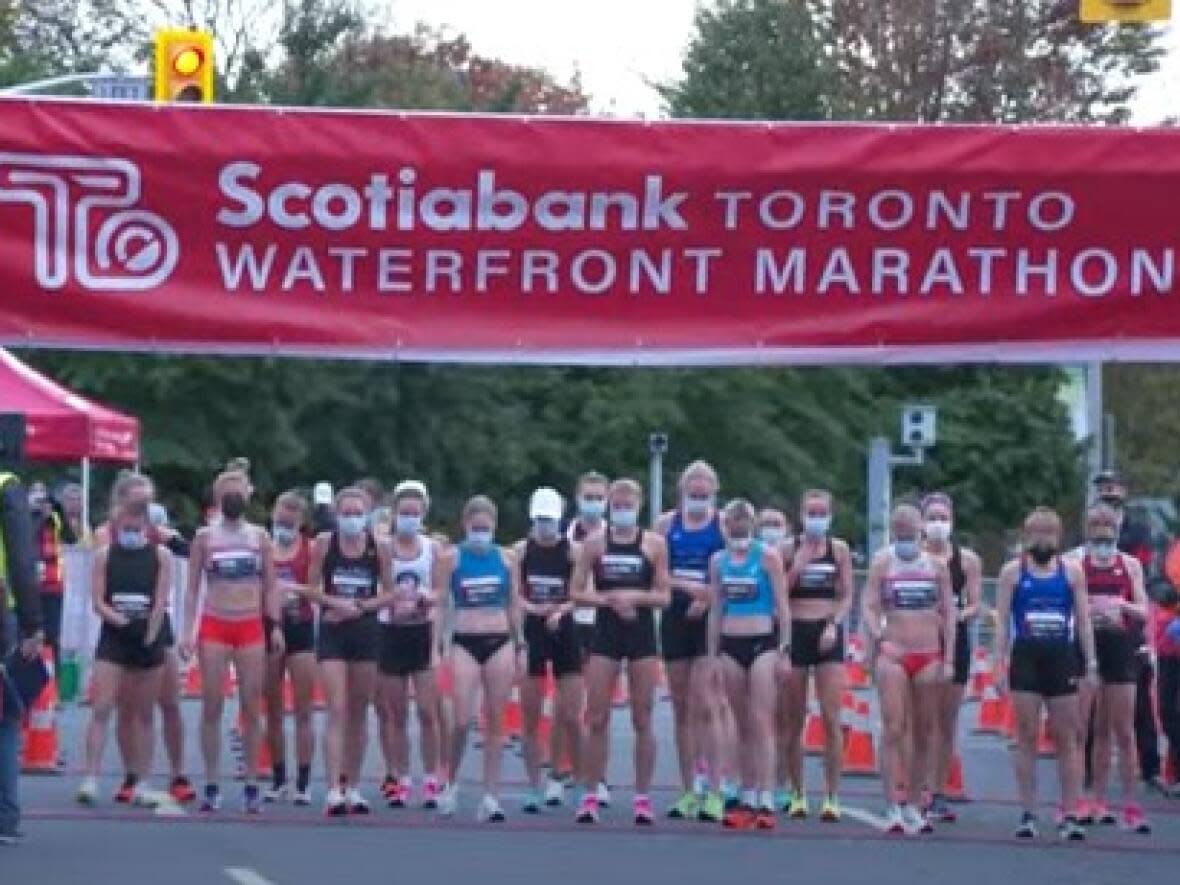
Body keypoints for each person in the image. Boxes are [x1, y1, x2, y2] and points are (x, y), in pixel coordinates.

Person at [181, 470, 281, 814]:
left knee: (252, 706)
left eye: (239, 490)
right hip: (215, 624)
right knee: (211, 704)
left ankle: (252, 782)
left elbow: (270, 585)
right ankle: (211, 782)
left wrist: (276, 625)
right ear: (218, 497)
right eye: (228, 491)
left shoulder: (260, 537)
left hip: (250, 625)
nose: (234, 496)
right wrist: (186, 632)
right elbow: (192, 587)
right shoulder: (205, 537)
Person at [572, 478, 671, 825]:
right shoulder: (595, 543)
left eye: (629, 506)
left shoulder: (654, 544)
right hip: (606, 632)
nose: (623, 511)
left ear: (640, 506)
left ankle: (642, 797)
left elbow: (664, 595)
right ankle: (590, 793)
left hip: (641, 632)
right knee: (596, 716)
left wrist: (634, 599)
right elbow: (576, 592)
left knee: (642, 717)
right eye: (618, 506)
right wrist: (608, 600)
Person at [995, 506, 1096, 841]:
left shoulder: (1072, 572)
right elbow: (1001, 625)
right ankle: (1028, 812)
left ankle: (1070, 813)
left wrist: (1090, 663)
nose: (1042, 539)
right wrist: (998, 663)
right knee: (1025, 736)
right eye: (1036, 533)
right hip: (1026, 657)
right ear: (1027, 536)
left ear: (1059, 536)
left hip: (1061, 658)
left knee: (1068, 737)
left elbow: (1083, 621)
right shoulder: (1013, 572)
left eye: (1049, 533)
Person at [95, 474, 195, 805]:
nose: (144, 508)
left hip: (155, 622)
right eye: (138, 502)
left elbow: (188, 551)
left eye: (147, 503)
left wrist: (171, 538)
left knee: (169, 702)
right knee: (127, 706)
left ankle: (178, 773)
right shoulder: (106, 534)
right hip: (121, 625)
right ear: (120, 502)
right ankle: (132, 774)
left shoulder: (154, 532)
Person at [862, 504, 955, 835]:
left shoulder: (937, 566)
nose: (905, 539)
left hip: (928, 652)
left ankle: (915, 803)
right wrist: (876, 633)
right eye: (898, 534)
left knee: (924, 731)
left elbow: (949, 613)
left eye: (910, 533)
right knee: (893, 726)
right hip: (894, 653)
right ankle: (892, 804)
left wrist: (949, 658)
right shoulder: (883, 562)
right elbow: (869, 603)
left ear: (921, 532)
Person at [76, 499, 172, 807]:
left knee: (145, 714)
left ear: (146, 527)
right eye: (124, 528)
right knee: (102, 706)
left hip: (146, 637)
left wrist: (150, 631)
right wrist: (119, 621)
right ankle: (90, 777)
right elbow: (97, 601)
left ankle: (143, 781)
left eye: (135, 528)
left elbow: (161, 600)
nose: (130, 533)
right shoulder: (105, 556)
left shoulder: (160, 555)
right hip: (115, 637)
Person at [308, 486, 394, 816]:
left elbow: (391, 592)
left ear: (368, 515)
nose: (352, 520)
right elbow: (310, 588)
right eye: (346, 513)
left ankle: (353, 786)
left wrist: (360, 606)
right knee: (336, 707)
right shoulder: (325, 544)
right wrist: (333, 603)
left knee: (359, 712)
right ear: (336, 515)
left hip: (366, 630)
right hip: (333, 629)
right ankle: (332, 788)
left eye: (358, 514)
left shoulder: (379, 547)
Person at [436, 496, 520, 823]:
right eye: (475, 528)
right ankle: (451, 781)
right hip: (464, 639)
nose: (480, 534)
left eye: (486, 528)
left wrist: (521, 641)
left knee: (496, 719)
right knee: (461, 717)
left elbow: (514, 602)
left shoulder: (508, 558)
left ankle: (491, 794)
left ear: (495, 527)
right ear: (465, 525)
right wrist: (437, 644)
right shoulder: (451, 558)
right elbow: (441, 603)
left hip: (499, 638)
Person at [708, 499, 791, 830]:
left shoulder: (766, 557)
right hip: (730, 644)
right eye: (733, 525)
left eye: (744, 525)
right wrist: (712, 654)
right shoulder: (719, 561)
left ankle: (767, 793)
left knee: (761, 720)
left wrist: (784, 650)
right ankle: (744, 791)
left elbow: (783, 607)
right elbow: (716, 609)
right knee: (739, 722)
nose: (739, 530)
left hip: (762, 644)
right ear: (725, 526)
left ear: (752, 526)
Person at [656, 461, 728, 822]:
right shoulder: (667, 525)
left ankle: (715, 789)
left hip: (709, 620)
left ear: (713, 493)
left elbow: (736, 567)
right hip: (675, 616)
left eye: (703, 495)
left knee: (707, 702)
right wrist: (688, 589)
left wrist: (710, 596)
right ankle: (687, 789)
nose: (697, 500)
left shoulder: (723, 524)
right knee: (681, 706)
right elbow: (656, 574)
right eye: (691, 494)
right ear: (682, 493)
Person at [1076, 504, 1151, 833]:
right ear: (1089, 534)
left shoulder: (1129, 565)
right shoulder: (1077, 565)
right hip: (1089, 649)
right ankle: (1094, 799)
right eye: (1097, 532)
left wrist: (1120, 605)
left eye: (1109, 533)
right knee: (1093, 730)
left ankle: (1131, 804)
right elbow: (1069, 609)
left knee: (1123, 729)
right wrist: (1088, 612)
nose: (1103, 539)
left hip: (1120, 647)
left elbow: (1144, 610)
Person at [780, 490, 853, 822]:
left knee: (831, 716)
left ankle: (832, 794)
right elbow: (778, 592)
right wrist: (797, 566)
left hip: (826, 633)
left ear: (830, 516)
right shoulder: (787, 548)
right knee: (793, 719)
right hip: (796, 630)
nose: (816, 518)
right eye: (811, 512)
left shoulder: (838, 550)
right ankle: (796, 792)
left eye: (822, 512)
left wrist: (834, 624)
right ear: (801, 514)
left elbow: (847, 595)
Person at [376, 480, 444, 810]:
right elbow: (377, 590)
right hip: (391, 632)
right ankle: (401, 778)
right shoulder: (383, 547)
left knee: (429, 712)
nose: (409, 519)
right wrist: (391, 602)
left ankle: (432, 778)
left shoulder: (432, 549)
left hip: (422, 631)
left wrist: (427, 599)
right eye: (404, 513)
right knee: (396, 714)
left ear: (423, 515)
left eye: (415, 514)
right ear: (394, 514)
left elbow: (441, 592)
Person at [516, 487, 582, 812]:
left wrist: (561, 610)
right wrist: (532, 608)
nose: (546, 527)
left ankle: (565, 776)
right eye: (541, 521)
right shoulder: (522, 551)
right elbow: (515, 594)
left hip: (564, 630)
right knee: (530, 716)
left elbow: (580, 592)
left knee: (570, 713)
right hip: (534, 630)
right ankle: (533, 785)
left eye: (551, 521)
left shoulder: (572, 551)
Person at [921, 493, 982, 823]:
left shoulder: (966, 560)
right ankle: (916, 787)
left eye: (943, 518)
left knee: (946, 722)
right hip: (919, 638)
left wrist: (957, 614)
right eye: (931, 517)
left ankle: (938, 791)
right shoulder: (911, 556)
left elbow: (975, 604)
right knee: (920, 720)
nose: (937, 524)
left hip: (954, 640)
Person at [263, 492, 317, 806]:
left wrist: (291, 592)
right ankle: (279, 776)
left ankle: (304, 780)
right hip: (270, 627)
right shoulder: (263, 547)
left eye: (291, 521)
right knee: (272, 708)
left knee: (304, 708)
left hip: (301, 627)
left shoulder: (309, 549)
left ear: (300, 522)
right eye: (281, 520)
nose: (285, 526)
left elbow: (313, 589)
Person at [0, 469, 43, 846]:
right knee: (6, 716)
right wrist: (33, 623)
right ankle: (5, 816)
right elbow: (20, 558)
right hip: (1, 610)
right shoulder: (6, 485)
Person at [564, 471, 608, 805]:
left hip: (601, 623)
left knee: (597, 708)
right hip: (569, 620)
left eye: (598, 497)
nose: (593, 503)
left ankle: (598, 777)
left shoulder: (614, 536)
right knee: (568, 707)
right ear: (577, 498)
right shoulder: (564, 535)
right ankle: (569, 773)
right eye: (587, 496)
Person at [28, 481, 75, 674]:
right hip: (30, 586)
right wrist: (38, 516)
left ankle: (52, 683)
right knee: (30, 634)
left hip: (54, 585)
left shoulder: (55, 518)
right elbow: (29, 537)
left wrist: (58, 509)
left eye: (44, 497)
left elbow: (71, 538)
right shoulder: (25, 518)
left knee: (52, 636)